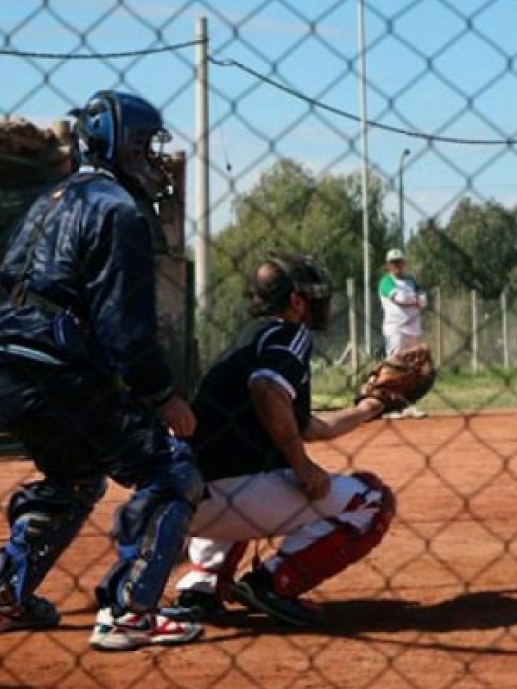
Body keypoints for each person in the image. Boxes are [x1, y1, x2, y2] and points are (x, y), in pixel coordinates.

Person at [0, 90, 205, 651]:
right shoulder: (118, 210)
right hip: (54, 371)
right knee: (172, 468)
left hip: (1, 366)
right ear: (114, 146)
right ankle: (130, 613)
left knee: (75, 477)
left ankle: (0, 597)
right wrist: (163, 395)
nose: (151, 159)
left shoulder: (48, 202)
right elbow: (126, 327)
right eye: (143, 146)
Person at [165, 253, 396, 627]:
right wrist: (301, 465)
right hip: (235, 494)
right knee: (371, 499)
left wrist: (371, 406)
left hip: (191, 501)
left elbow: (306, 426)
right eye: (313, 295)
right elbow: (267, 387)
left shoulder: (250, 339)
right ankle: (272, 583)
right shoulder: (289, 333)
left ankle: (201, 586)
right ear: (296, 302)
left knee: (257, 467)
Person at [378, 248, 429, 419]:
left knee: (412, 370)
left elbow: (424, 299)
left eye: (399, 262)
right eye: (393, 263)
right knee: (394, 367)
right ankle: (389, 405)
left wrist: (414, 299)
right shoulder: (386, 281)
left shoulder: (411, 281)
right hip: (396, 329)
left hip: (413, 329)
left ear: (404, 263)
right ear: (388, 266)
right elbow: (400, 299)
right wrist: (415, 300)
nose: (397, 265)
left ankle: (407, 404)